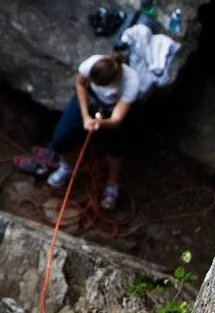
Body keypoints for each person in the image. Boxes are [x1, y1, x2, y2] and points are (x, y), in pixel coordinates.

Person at [15, 46, 140, 211]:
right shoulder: (91, 64)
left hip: (111, 110)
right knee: (60, 139)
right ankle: (68, 166)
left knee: (114, 147)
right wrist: (85, 116)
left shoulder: (131, 82)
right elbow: (81, 85)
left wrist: (101, 123)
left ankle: (112, 182)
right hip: (89, 101)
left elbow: (117, 119)